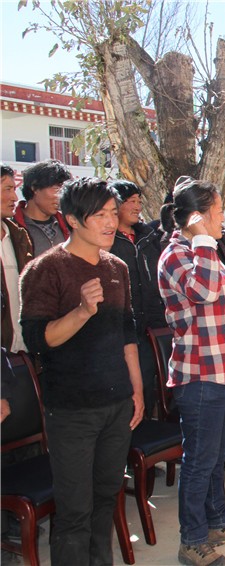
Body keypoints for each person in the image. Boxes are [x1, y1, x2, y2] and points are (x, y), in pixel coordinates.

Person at [19, 177, 144, 565]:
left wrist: (137, 390)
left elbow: (127, 333)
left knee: (106, 499)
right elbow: (38, 340)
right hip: (72, 410)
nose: (110, 222)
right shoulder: (45, 269)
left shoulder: (117, 266)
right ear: (72, 219)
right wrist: (81, 312)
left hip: (117, 404)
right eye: (99, 215)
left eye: (113, 213)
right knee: (74, 511)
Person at [158, 179, 225, 566]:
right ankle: (192, 540)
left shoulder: (206, 252)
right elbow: (203, 292)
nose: (223, 218)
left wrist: (205, 242)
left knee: (216, 458)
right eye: (217, 211)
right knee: (199, 461)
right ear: (198, 217)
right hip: (200, 375)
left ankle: (217, 521)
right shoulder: (177, 255)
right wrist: (202, 238)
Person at [108, 180, 167, 416]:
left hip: (154, 325)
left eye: (139, 201)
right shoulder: (109, 241)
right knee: (134, 387)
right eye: (131, 201)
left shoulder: (149, 237)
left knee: (154, 384)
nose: (137, 207)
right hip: (126, 329)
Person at [1, 165, 33, 353]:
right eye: (7, 189)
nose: (14, 197)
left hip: (24, 354)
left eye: (14, 189)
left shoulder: (19, 237)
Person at [14, 159, 72, 257]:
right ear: (34, 187)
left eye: (63, 191)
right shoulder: (13, 227)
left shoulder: (69, 224)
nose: (61, 196)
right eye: (57, 189)